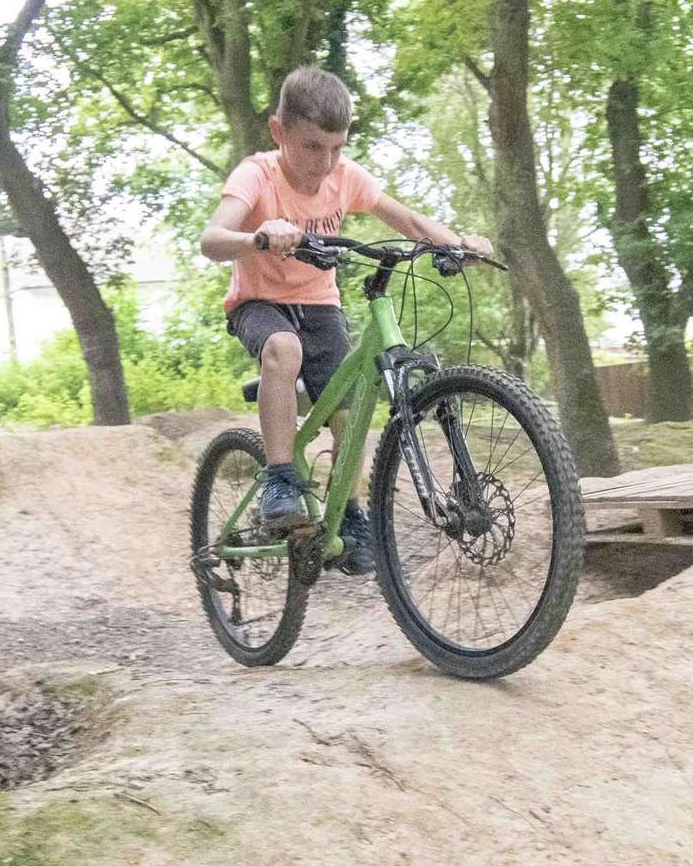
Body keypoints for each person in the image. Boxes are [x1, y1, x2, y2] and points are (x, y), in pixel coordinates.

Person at [199, 65, 493, 576]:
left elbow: (408, 220)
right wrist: (258, 236)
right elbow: (211, 240)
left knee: (353, 401)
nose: (327, 161)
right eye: (313, 147)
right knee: (283, 351)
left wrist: (459, 244)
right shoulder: (257, 174)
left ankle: (352, 515)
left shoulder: (344, 177)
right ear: (278, 132)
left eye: (337, 147)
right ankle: (280, 479)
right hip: (259, 303)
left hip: (320, 305)